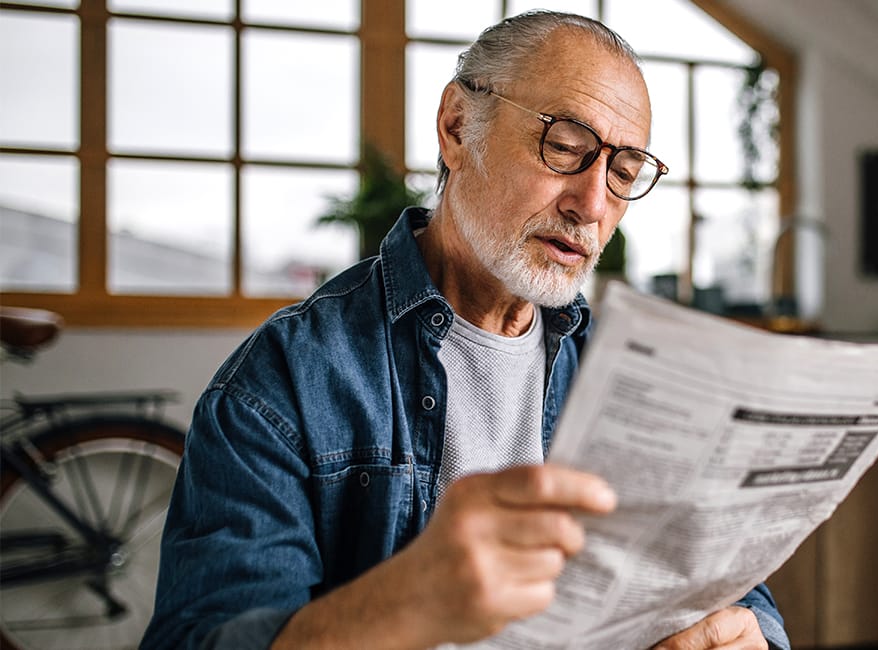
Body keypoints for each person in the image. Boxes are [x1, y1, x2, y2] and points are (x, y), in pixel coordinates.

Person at [140, 11, 787, 650]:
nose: (591, 205)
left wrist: (751, 634)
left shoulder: (630, 372)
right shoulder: (285, 382)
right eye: (564, 146)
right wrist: (397, 609)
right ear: (456, 127)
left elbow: (731, 583)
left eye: (622, 173)